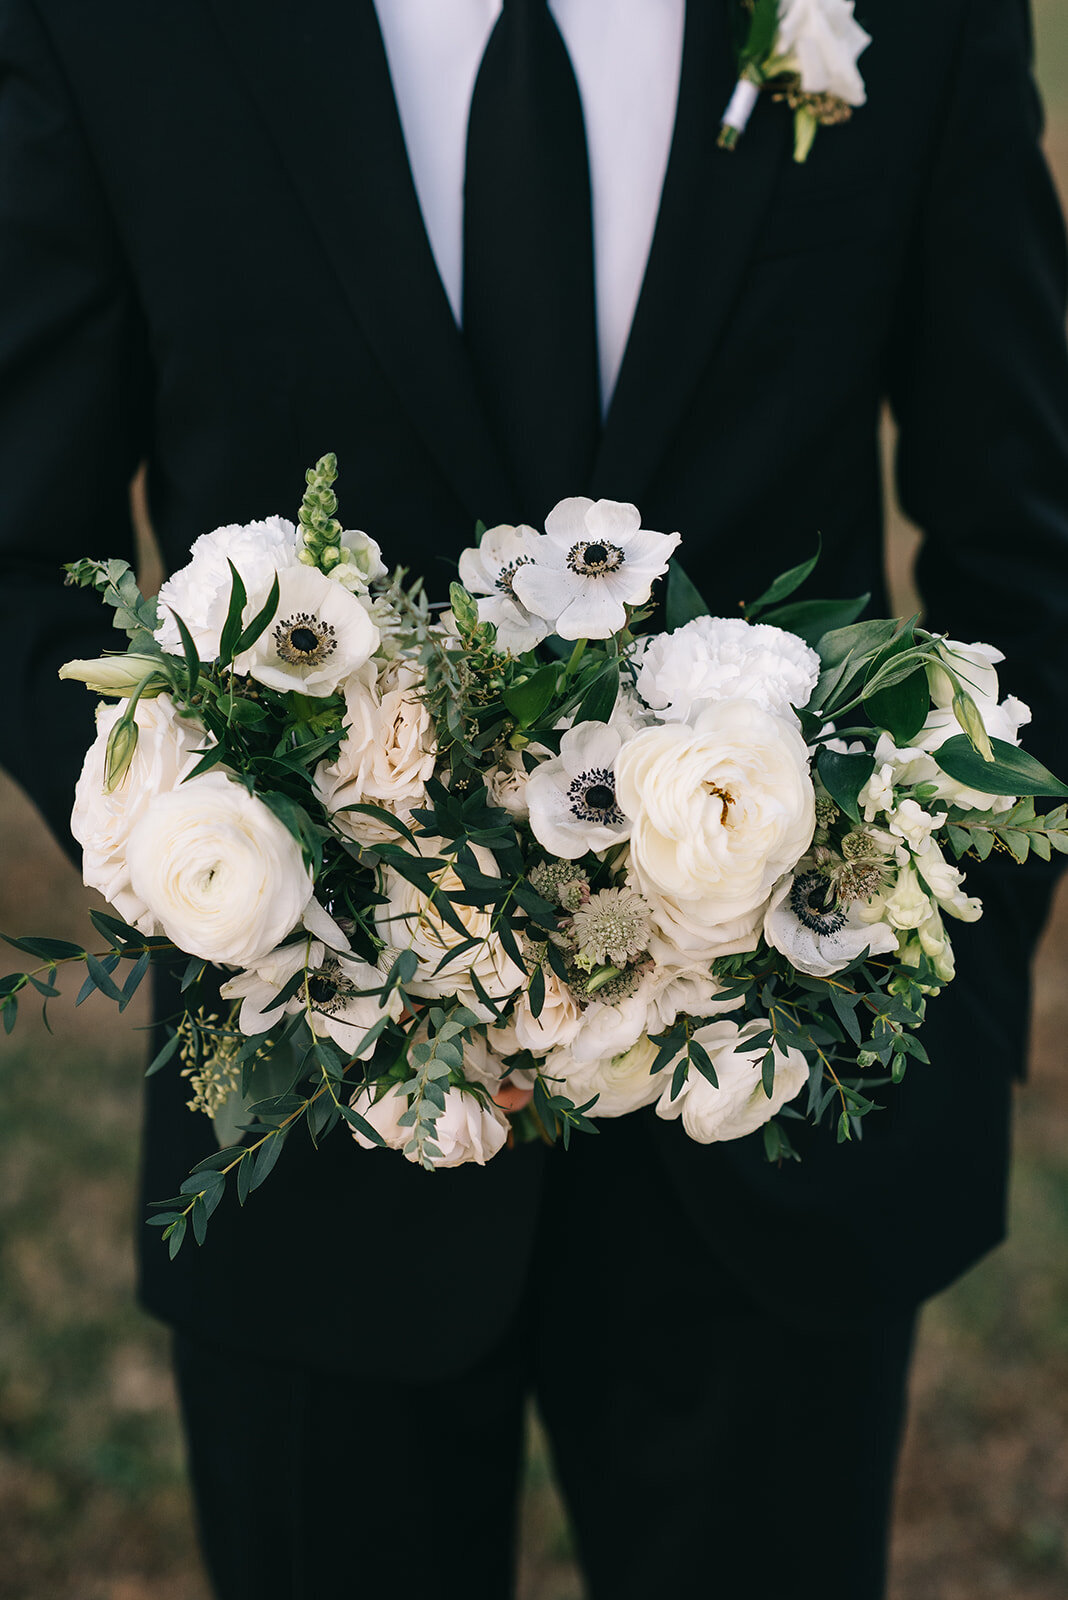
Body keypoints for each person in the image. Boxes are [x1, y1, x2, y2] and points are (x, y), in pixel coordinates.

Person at [1, 2, 1066, 1596]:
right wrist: (212, 878)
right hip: (319, 1142)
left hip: (773, 1147)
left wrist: (952, 1010)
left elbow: (1023, 533)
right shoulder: (113, 25)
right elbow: (29, 549)